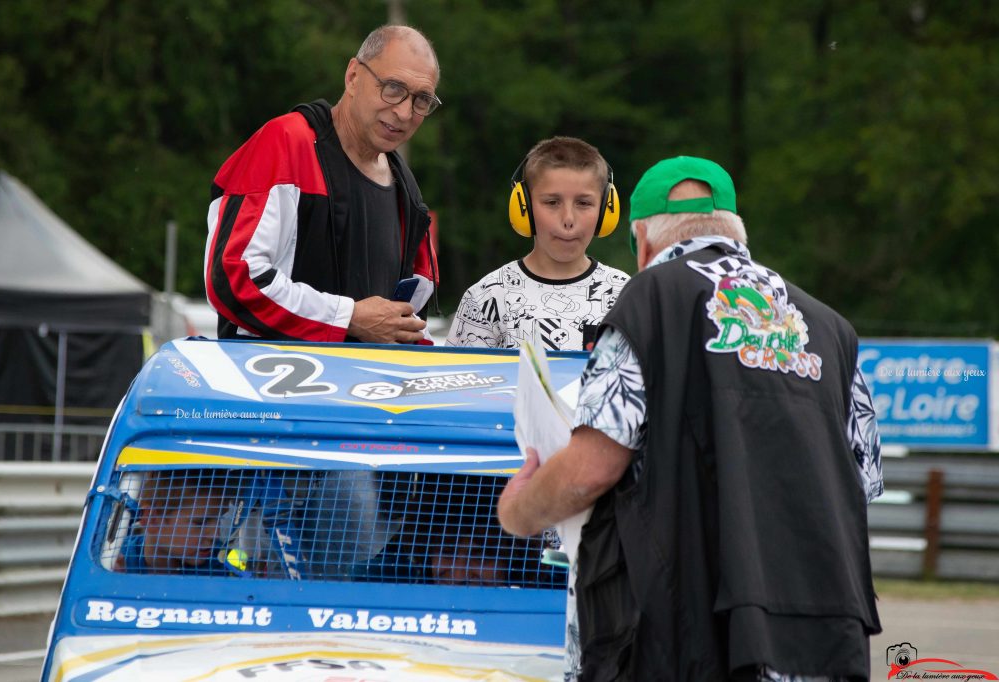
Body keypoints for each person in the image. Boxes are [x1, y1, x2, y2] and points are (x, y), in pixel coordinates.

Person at [498, 156, 884, 681]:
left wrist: (521, 509)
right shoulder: (830, 327)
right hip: (822, 634)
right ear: (734, 229)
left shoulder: (650, 300)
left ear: (643, 240)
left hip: (689, 634)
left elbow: (593, 467)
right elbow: (862, 483)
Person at [204, 25, 441, 343]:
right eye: (393, 88)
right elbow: (232, 277)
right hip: (270, 386)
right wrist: (348, 318)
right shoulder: (286, 145)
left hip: (368, 390)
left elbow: (408, 322)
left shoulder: (408, 192)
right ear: (353, 77)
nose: (403, 111)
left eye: (421, 100)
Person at [446, 137, 629, 351]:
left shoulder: (625, 295)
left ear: (605, 210)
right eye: (552, 202)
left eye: (584, 203)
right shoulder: (487, 297)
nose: (568, 218)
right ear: (525, 208)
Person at [114, 470, 241, 575]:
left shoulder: (229, 563)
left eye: (220, 519)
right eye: (200, 522)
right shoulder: (111, 559)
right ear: (152, 520)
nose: (215, 535)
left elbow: (255, 580)